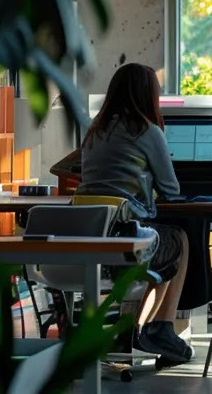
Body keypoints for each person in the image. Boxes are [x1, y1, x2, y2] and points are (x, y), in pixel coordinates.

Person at [76, 63, 195, 366]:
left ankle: (136, 327)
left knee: (164, 240)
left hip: (89, 239)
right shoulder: (148, 131)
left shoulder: (93, 133)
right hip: (127, 238)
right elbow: (170, 188)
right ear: (148, 95)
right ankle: (161, 327)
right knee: (178, 239)